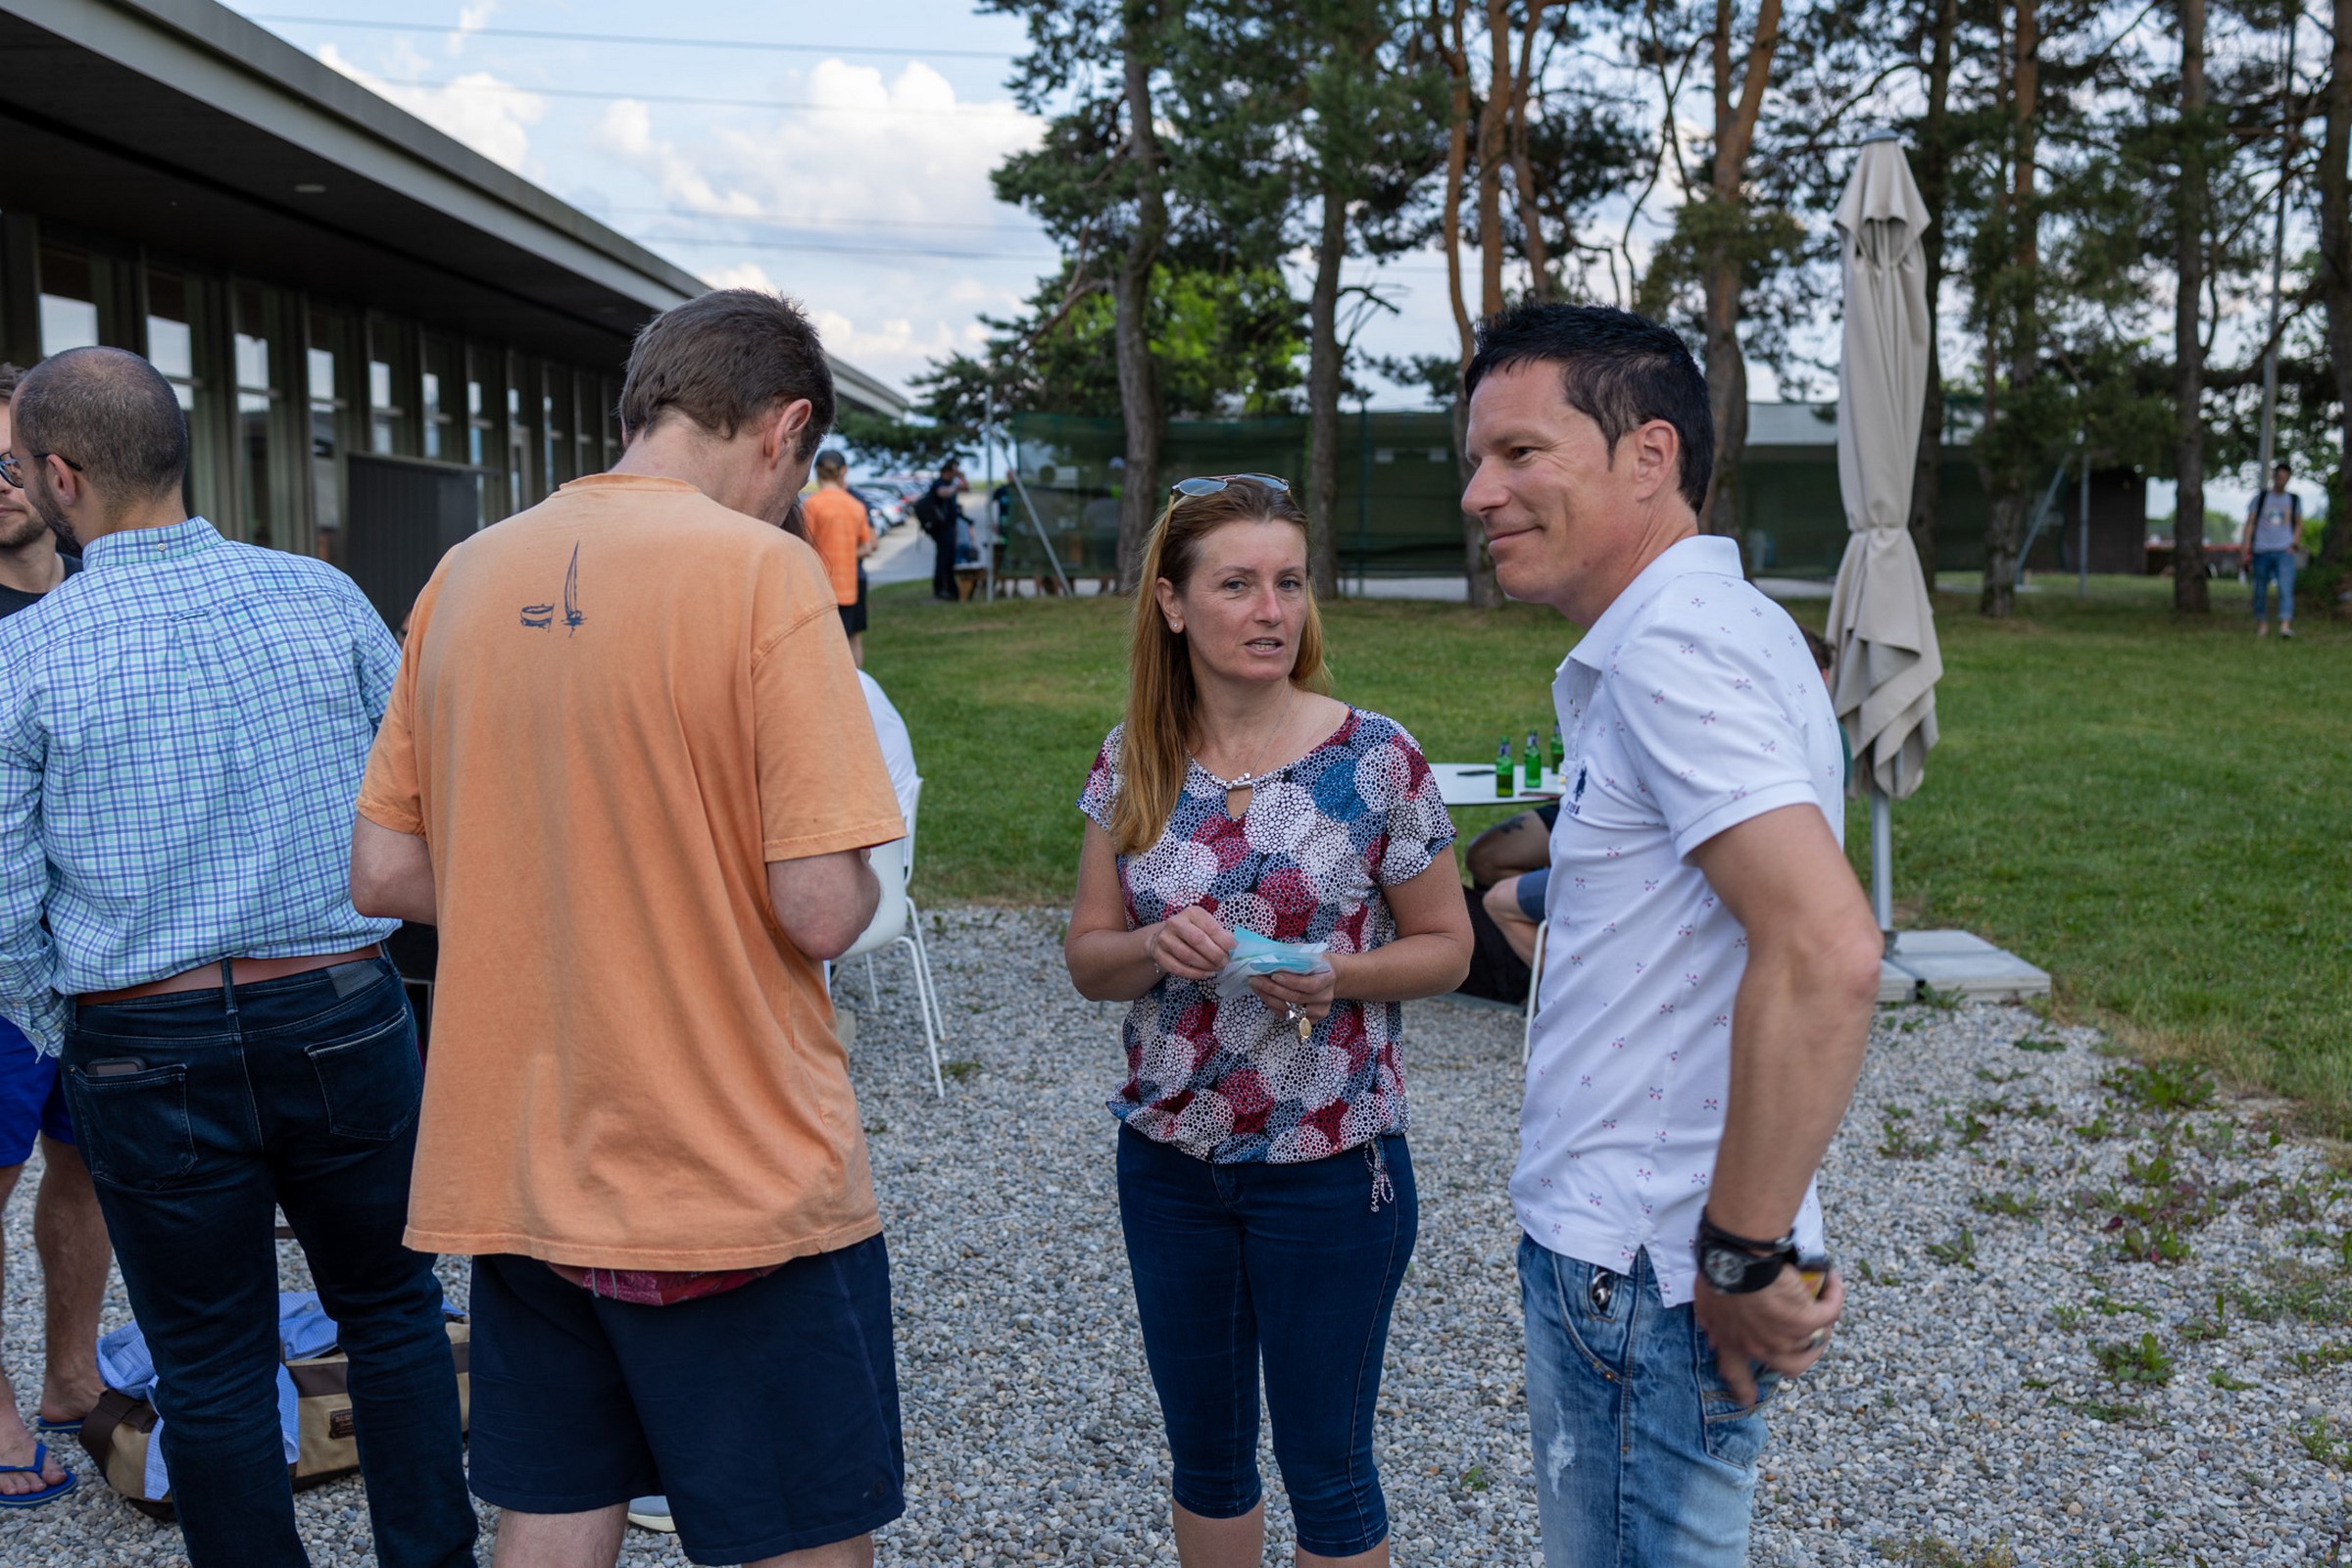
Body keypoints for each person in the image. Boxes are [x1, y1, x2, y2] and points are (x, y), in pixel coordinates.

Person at [350, 289, 907, 1568]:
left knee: (554, 1510)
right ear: (786, 429)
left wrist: (557, 880)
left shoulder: (465, 573)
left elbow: (382, 870)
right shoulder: (766, 573)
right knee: (800, 1530)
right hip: (727, 1167)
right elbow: (822, 907)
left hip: (524, 1163)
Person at [0, 348, 474, 1566]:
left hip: (141, 1039)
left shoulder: (26, 656)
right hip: (343, 1009)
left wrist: (72, 1027)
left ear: (63, 476)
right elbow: (424, 795)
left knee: (207, 1360)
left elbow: (3, 909)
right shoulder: (324, 597)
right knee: (396, 1315)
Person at [1459, 304, 1882, 1567]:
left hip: (1646, 1264)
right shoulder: (1726, 628)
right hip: (1651, 1252)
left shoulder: (1674, 651)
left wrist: (1741, 1252)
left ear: (1650, 455)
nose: (1480, 494)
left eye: (1521, 453)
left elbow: (1825, 946)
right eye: (1476, 459)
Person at [1063, 474, 1472, 1568]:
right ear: (1172, 603)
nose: (1271, 610)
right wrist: (1154, 945)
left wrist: (1342, 974)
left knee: (1328, 1469)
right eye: (1237, 584)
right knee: (1205, 1460)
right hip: (1170, 1163)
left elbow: (1450, 945)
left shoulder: (1375, 757)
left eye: (1289, 583)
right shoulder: (1132, 758)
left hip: (1330, 1163)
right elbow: (1089, 959)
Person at [0, 363, 111, 1508]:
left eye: (8, 458)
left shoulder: (99, 596)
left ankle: (72, 1373)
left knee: (86, 1167)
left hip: (95, 954)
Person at [804, 449, 877, 664]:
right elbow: (867, 547)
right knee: (853, 639)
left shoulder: (812, 504)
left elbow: (804, 545)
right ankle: (857, 681)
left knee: (824, 643)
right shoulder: (856, 506)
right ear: (841, 472)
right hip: (851, 586)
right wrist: (846, 552)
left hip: (822, 586)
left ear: (817, 472)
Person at [2242, 462, 2300, 638]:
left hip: (2284, 551)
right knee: (2260, 589)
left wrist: (2294, 543)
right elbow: (2250, 523)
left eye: (2285, 477)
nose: (2281, 480)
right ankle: (2262, 624)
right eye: (2279, 476)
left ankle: (2285, 625)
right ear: (2274, 477)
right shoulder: (2261, 498)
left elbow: (2299, 523)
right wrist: (2245, 548)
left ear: (2288, 479)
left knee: (2285, 588)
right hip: (2261, 550)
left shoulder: (2293, 499)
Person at [916, 469, 963, 601]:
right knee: (943, 559)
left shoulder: (950, 483)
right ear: (946, 471)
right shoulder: (939, 484)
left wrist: (961, 477)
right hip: (941, 528)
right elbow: (943, 493)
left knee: (949, 560)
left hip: (949, 527)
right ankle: (942, 589)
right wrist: (955, 484)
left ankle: (950, 590)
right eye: (953, 471)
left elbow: (966, 487)